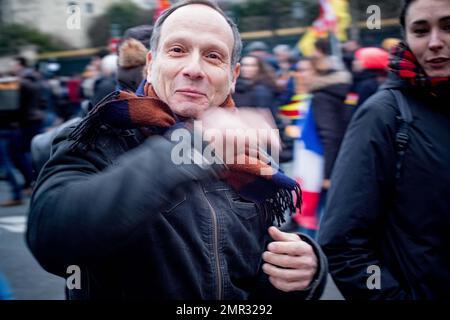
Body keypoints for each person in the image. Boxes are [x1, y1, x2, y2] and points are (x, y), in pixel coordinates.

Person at [27, 0, 327, 300]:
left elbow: (260, 273)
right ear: (150, 63)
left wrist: (305, 269)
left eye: (212, 56)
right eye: (177, 50)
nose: (194, 69)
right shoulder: (95, 135)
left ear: (233, 76)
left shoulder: (247, 154)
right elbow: (52, 241)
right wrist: (191, 149)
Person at [318, 0, 450, 299]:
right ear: (405, 37)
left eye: (448, 26)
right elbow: (343, 244)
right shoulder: (384, 114)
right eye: (420, 30)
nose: (434, 42)